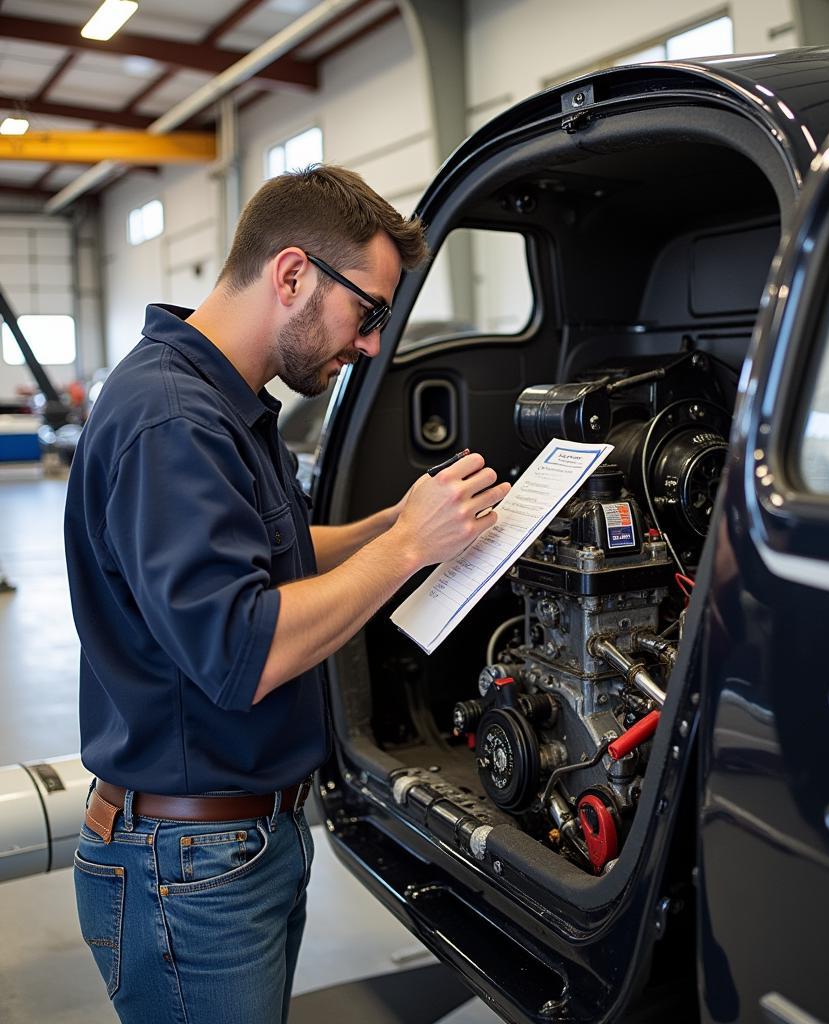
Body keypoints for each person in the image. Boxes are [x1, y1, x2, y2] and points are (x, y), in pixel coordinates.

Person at [63, 165, 510, 1024]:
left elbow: (288, 557)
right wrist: (413, 546)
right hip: (191, 865)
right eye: (370, 313)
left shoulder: (221, 401)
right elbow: (246, 649)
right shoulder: (173, 421)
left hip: (231, 845)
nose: (373, 344)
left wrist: (406, 524)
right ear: (294, 273)